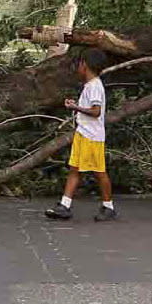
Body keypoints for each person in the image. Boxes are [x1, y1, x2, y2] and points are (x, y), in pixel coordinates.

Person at [46, 51, 116, 221]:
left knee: (99, 172)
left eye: (79, 64)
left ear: (84, 65)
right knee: (75, 169)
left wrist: (75, 108)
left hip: (92, 137)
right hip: (83, 133)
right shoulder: (90, 85)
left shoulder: (94, 86)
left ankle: (108, 206)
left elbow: (96, 111)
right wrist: (77, 106)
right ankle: (65, 205)